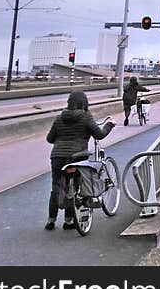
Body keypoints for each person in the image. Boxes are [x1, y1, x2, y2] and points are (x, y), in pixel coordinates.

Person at [45, 91, 114, 230]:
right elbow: (99, 135)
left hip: (57, 157)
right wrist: (110, 125)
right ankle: (69, 221)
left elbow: (50, 139)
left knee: (56, 187)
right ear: (84, 102)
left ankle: (50, 220)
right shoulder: (86, 117)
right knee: (74, 188)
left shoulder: (59, 118)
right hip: (77, 156)